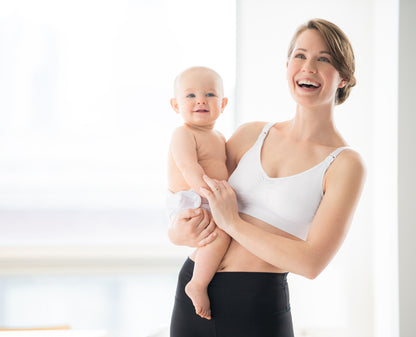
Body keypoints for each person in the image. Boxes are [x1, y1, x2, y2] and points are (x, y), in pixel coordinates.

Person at [168, 19, 366, 337]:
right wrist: (177, 233)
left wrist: (233, 223)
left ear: (343, 77)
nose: (308, 67)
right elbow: (199, 197)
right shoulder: (250, 134)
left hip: (256, 303)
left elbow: (312, 263)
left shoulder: (345, 164)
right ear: (288, 66)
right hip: (192, 289)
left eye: (324, 59)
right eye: (300, 56)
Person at [167, 66, 231, 320]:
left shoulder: (219, 136)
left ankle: (201, 277)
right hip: (190, 199)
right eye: (190, 95)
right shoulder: (183, 133)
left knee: (219, 235)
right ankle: (197, 284)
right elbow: (190, 168)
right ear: (176, 105)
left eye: (210, 95)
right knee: (219, 235)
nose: (201, 100)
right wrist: (212, 194)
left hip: (206, 197)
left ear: (223, 104)